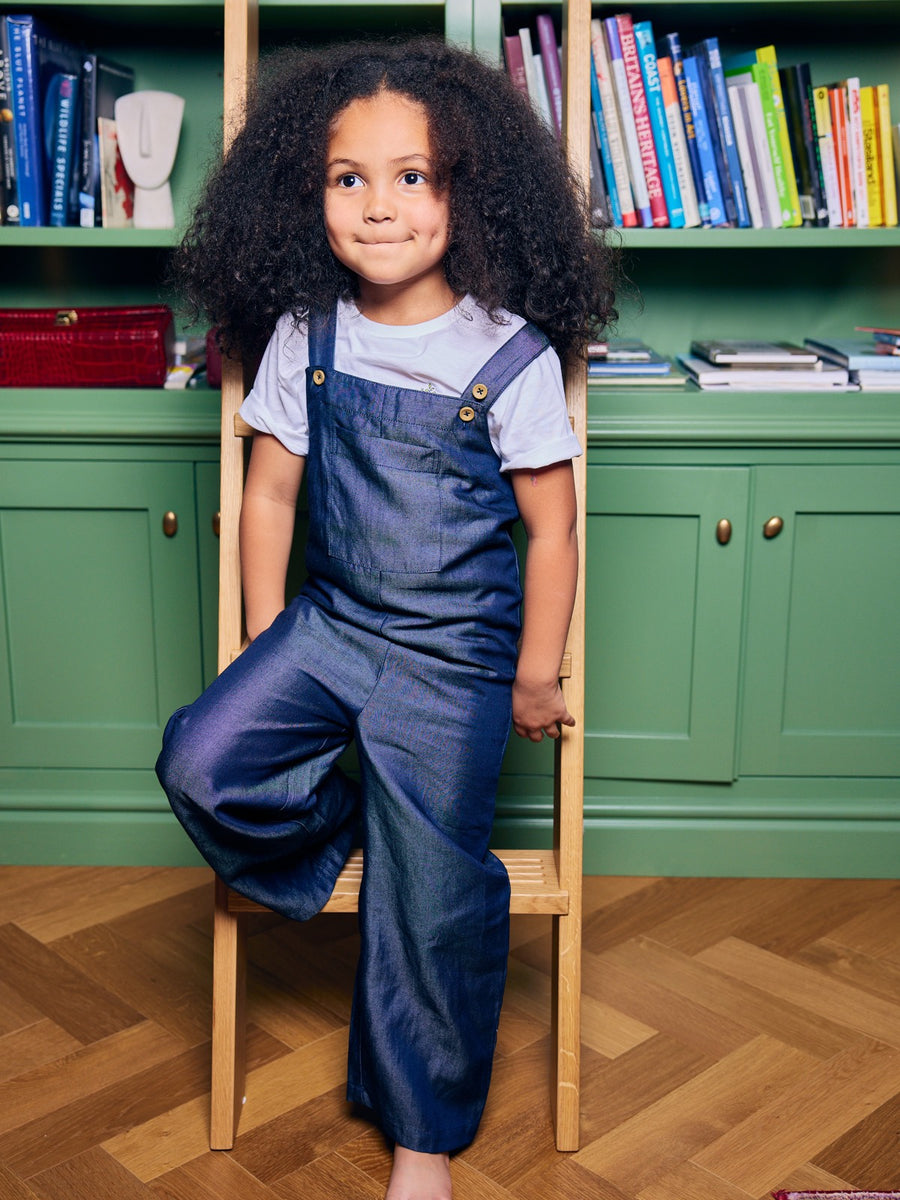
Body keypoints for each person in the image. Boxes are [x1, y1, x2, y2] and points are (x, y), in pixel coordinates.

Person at [156, 35, 617, 1200]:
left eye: (412, 176)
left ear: (471, 192)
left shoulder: (505, 356)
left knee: (430, 899)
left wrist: (535, 676)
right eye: (345, 178)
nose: (377, 206)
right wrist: (267, 637)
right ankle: (368, 814)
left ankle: (423, 1136)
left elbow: (554, 533)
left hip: (455, 661)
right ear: (301, 196)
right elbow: (269, 495)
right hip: (332, 626)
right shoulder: (308, 336)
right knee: (202, 761)